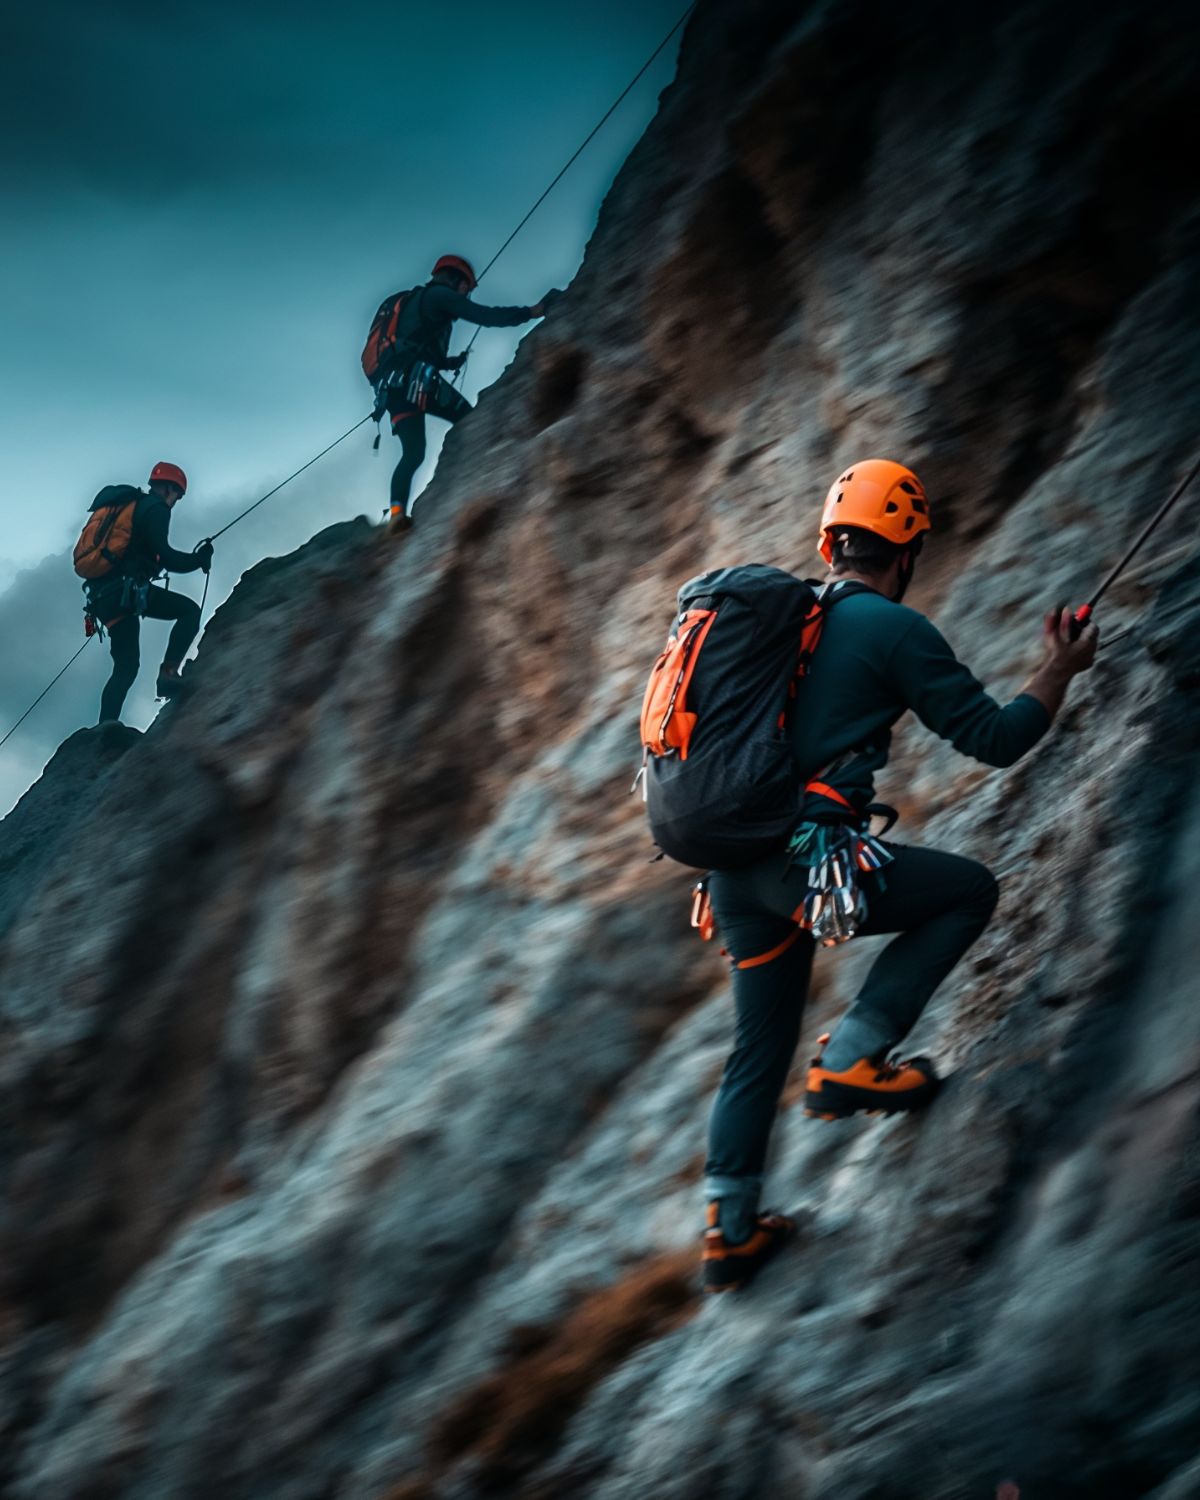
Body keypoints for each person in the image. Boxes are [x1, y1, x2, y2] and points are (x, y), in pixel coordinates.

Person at [700, 459, 1098, 1292]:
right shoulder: (890, 628)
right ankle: (852, 1056)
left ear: (830, 542)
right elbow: (994, 738)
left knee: (758, 1046)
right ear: (907, 549)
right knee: (966, 891)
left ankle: (731, 1233)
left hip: (733, 874)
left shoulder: (784, 623)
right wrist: (1057, 668)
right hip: (805, 861)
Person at [371, 254, 559, 532]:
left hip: (393, 389)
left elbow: (412, 346)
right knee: (473, 422)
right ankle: (484, 482)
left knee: (413, 453)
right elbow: (485, 316)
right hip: (417, 381)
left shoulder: (414, 302)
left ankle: (397, 514)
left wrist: (449, 363)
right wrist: (533, 311)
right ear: (458, 281)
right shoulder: (439, 296)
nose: (467, 295)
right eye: (467, 289)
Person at [88, 462, 213, 723]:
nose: (175, 502)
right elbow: (166, 556)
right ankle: (168, 674)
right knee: (189, 611)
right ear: (169, 489)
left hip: (103, 597)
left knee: (125, 667)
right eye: (177, 496)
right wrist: (198, 560)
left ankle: (103, 729)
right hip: (126, 592)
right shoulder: (156, 508)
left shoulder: (131, 507)